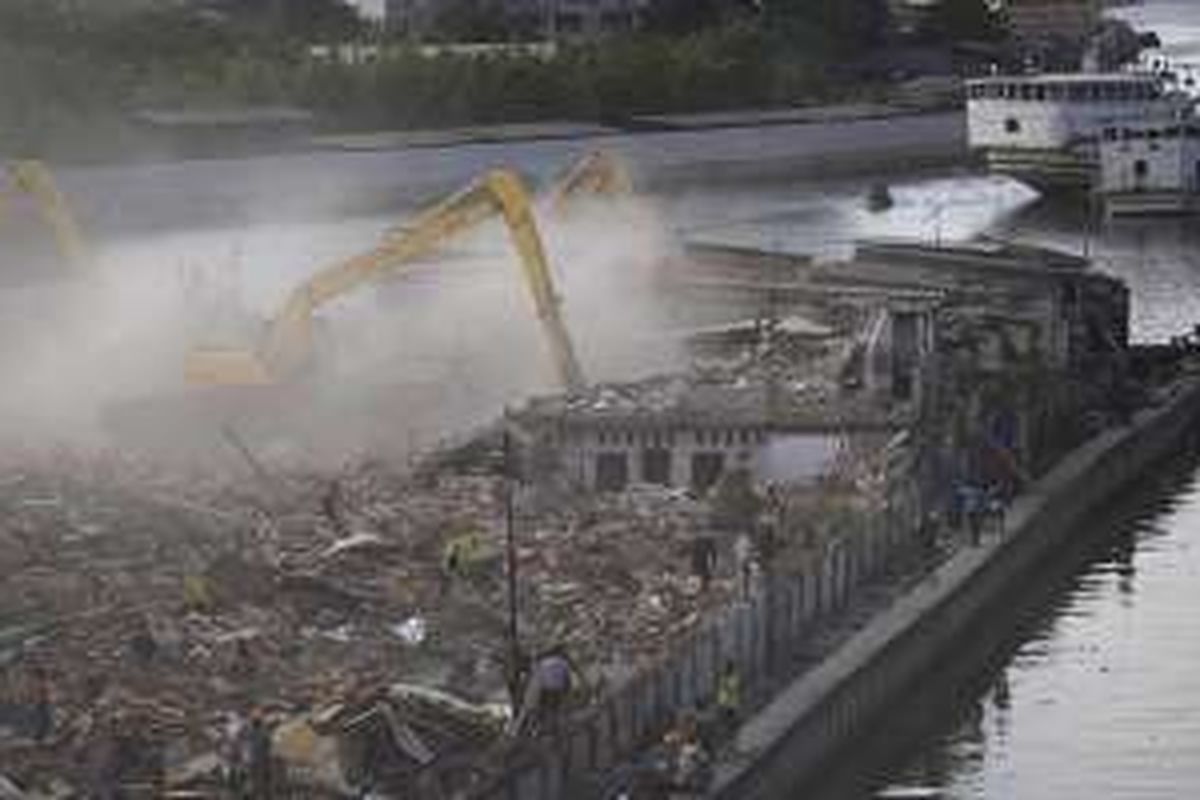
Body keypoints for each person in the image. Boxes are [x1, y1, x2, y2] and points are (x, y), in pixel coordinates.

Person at [715, 660, 741, 736]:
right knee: (723, 719)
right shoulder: (723, 676)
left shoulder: (734, 676)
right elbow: (720, 686)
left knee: (730, 718)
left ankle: (731, 732)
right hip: (722, 701)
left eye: (729, 667)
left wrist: (726, 685)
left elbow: (733, 687)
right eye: (726, 667)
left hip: (731, 703)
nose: (727, 669)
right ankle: (725, 732)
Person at [734, 531, 754, 599]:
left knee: (745, 580)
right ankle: (743, 596)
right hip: (743, 563)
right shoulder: (745, 544)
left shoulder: (740, 544)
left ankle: (745, 596)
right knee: (743, 580)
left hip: (745, 563)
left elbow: (735, 550)